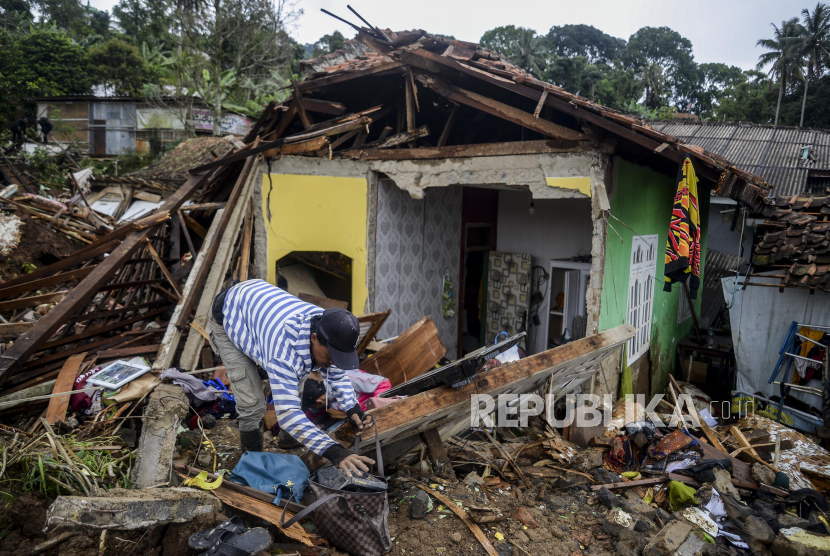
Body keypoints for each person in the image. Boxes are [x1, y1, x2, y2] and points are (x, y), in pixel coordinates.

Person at [208, 279, 374, 477]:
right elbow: (287, 415)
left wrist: (352, 408)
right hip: (230, 313)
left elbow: (336, 372)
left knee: (299, 378)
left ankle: (288, 440)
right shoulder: (283, 354)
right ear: (313, 338)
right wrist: (335, 452)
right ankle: (252, 461)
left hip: (258, 305)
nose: (332, 362)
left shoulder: (329, 325)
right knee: (252, 402)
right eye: (330, 357)